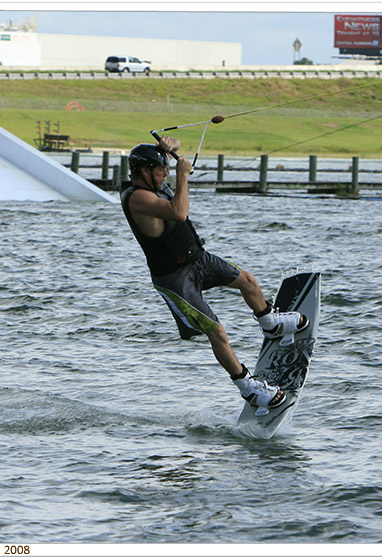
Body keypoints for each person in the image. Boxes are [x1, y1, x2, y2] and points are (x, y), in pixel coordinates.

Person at [119, 136, 308, 413]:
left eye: (166, 169)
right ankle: (249, 389)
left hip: (198, 260)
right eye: (160, 170)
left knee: (248, 280)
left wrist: (171, 146)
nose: (165, 174)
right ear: (142, 172)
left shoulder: (153, 183)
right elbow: (179, 212)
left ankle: (271, 323)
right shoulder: (137, 198)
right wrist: (183, 175)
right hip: (175, 279)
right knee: (216, 331)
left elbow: (177, 147)